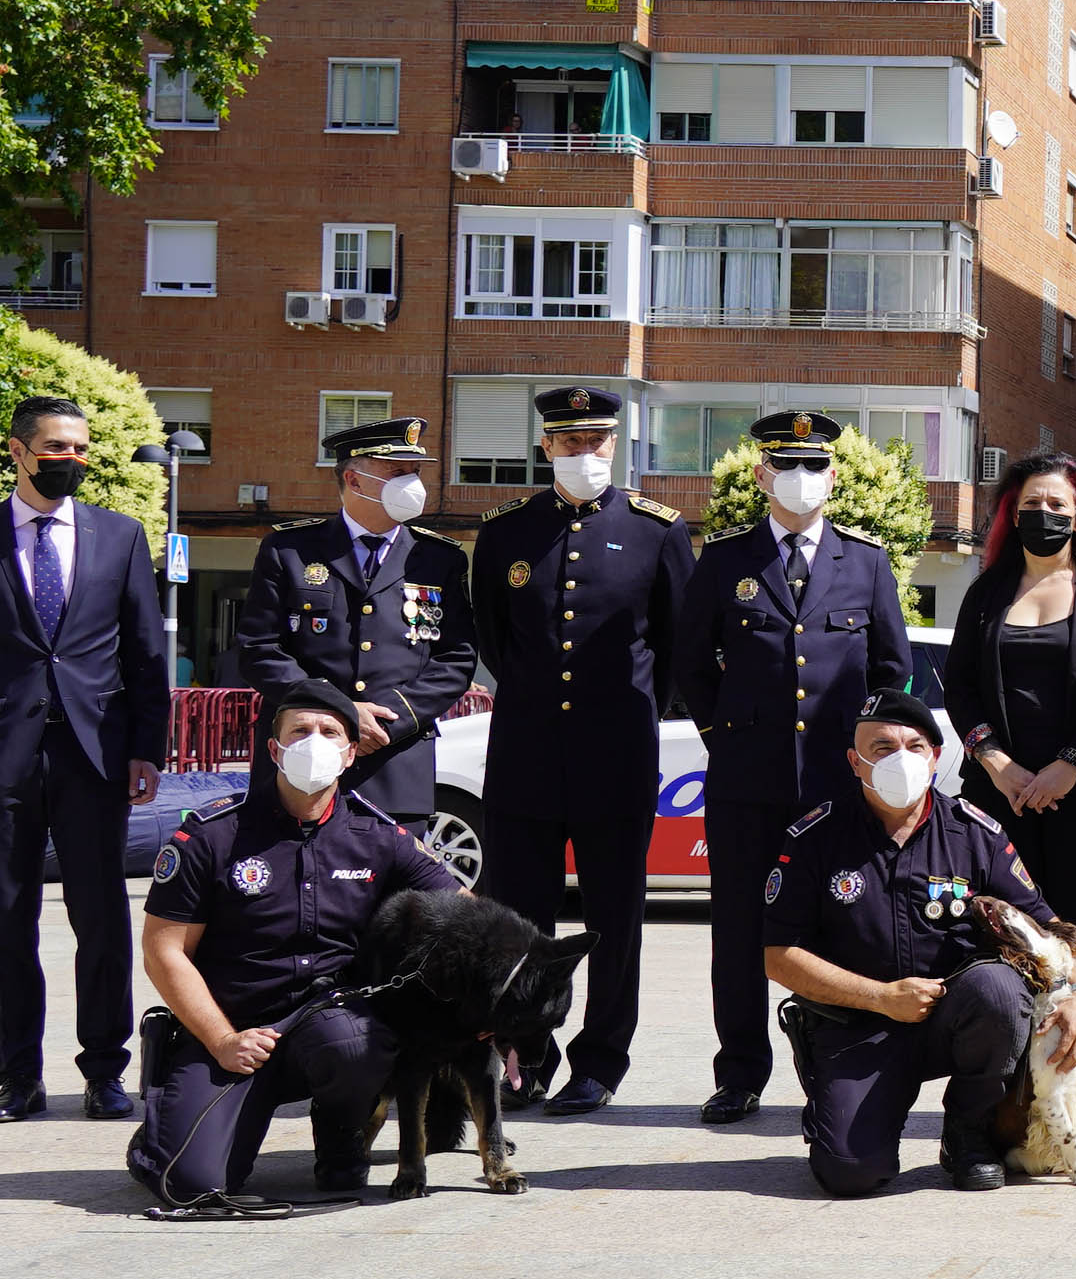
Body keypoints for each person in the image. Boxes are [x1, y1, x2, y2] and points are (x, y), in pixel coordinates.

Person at [0, 393, 172, 1125]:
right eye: (57, 448)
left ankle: (104, 1071)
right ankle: (18, 1077)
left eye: (82, 450)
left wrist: (147, 749)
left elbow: (147, 655)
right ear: (19, 450)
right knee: (6, 919)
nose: (73, 461)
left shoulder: (120, 537)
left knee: (100, 919)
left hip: (95, 757)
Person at [126, 680, 460, 1213]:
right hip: (231, 1028)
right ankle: (166, 1134)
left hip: (330, 1024)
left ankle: (341, 1138)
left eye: (330, 732)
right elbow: (163, 951)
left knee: (357, 1044)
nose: (314, 741)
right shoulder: (211, 835)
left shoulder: (381, 837)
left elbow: (467, 913)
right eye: (299, 731)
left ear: (352, 753)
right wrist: (221, 1040)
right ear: (274, 748)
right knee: (191, 1183)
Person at [678, 413, 912, 1129]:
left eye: (814, 466)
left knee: (844, 923)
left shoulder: (865, 562)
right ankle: (740, 1072)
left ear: (834, 476)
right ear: (760, 476)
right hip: (748, 783)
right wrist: (729, 738)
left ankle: (843, 1064)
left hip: (839, 790)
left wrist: (869, 764)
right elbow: (692, 665)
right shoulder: (722, 560)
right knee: (741, 929)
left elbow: (892, 671)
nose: (801, 479)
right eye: (786, 465)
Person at [765, 691, 1076, 1196]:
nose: (901, 758)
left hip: (957, 1018)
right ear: (855, 762)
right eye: (881, 748)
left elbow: (1049, 929)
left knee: (998, 990)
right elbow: (778, 956)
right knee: (850, 1173)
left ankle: (968, 1134)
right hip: (858, 1024)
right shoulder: (815, 837)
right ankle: (843, 1115)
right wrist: (879, 997)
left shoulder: (974, 832)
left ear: (935, 757)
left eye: (915, 745)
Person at [467, 386, 695, 1115]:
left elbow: (672, 645)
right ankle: (526, 1057)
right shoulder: (506, 531)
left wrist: (627, 716)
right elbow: (495, 638)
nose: (583, 454)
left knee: (614, 921)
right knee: (521, 923)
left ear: (615, 446)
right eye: (569, 443)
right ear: (545, 448)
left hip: (616, 754)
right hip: (526, 754)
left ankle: (600, 1062)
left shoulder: (658, 530)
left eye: (595, 442)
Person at [948, 454, 1076, 1128]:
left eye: (1060, 505)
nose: (1047, 515)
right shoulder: (987, 592)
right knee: (1006, 950)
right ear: (1012, 511)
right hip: (1001, 802)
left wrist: (1071, 766)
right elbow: (961, 688)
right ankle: (1006, 1104)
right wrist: (999, 764)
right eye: (1034, 503)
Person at [233, 414, 479, 825]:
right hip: (303, 757)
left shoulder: (439, 559)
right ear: (354, 480)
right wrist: (340, 713)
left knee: (397, 890)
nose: (412, 483)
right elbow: (258, 648)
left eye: (415, 472)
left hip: (395, 760)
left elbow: (456, 658)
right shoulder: (289, 549)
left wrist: (388, 720)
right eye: (397, 472)